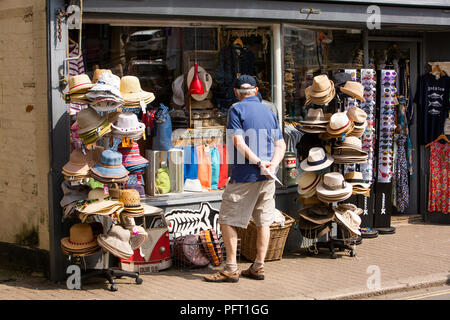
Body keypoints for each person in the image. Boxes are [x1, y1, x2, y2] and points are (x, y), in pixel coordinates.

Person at [204, 75, 286, 282]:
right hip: (268, 177)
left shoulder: (236, 109)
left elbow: (238, 142)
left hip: (245, 175)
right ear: (256, 90)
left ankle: (231, 268)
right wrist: (272, 165)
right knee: (263, 221)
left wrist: (259, 163)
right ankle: (258, 266)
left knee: (227, 220)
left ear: (235, 93)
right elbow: (281, 145)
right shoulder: (269, 111)